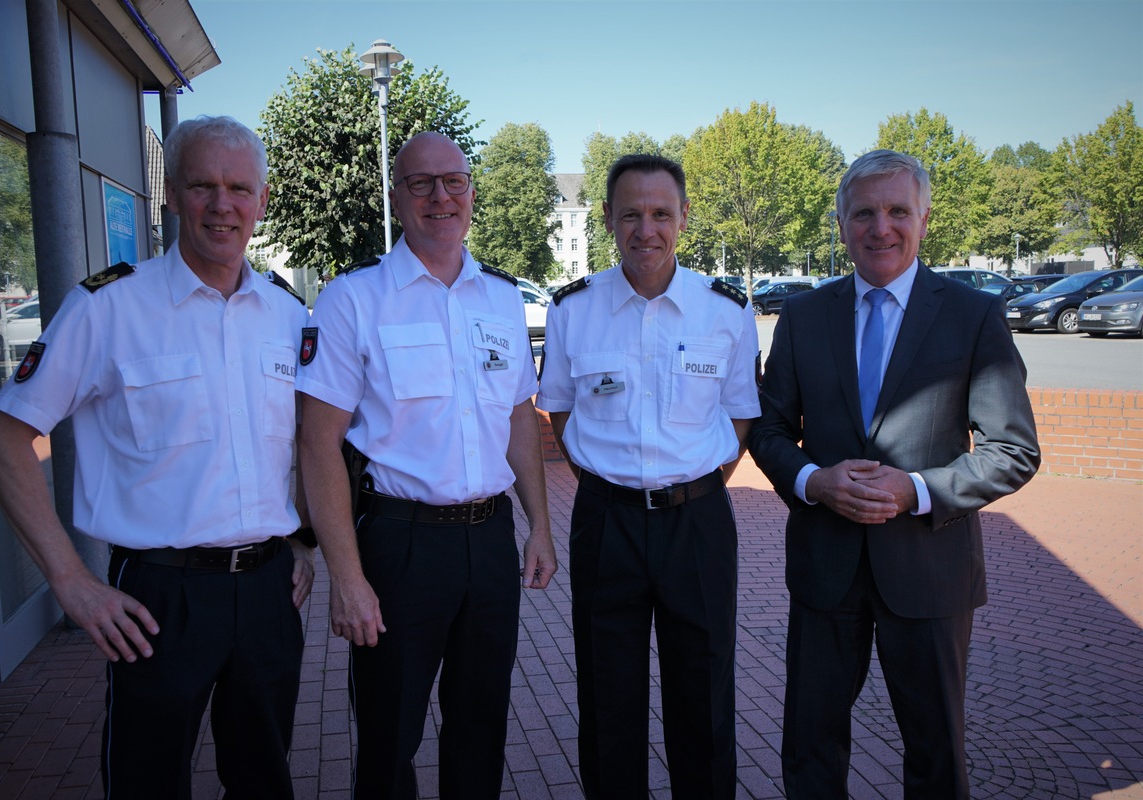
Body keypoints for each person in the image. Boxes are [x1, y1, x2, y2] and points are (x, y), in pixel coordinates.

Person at [0, 115, 315, 800]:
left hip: (270, 590)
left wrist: (303, 540)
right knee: (146, 782)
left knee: (265, 780)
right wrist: (69, 580)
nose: (223, 206)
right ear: (171, 198)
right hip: (160, 597)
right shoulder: (108, 307)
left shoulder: (287, 312)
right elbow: (1, 441)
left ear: (264, 200)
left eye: (240, 189)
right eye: (203, 186)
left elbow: (300, 441)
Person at [748, 149, 1041, 799]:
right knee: (810, 745)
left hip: (930, 571)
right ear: (842, 223)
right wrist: (811, 481)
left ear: (924, 218)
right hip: (826, 570)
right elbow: (769, 431)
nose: (881, 227)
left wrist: (916, 489)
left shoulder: (974, 317)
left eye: (897, 211)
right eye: (864, 213)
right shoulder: (803, 316)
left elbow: (1012, 449)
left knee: (937, 754)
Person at [296, 131, 556, 800]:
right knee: (389, 735)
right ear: (397, 196)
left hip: (491, 540)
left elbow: (518, 416)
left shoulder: (501, 298)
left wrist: (541, 527)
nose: (441, 196)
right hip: (399, 545)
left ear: (472, 191)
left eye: (455, 181)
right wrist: (346, 577)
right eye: (421, 183)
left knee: (480, 728)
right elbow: (317, 442)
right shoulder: (353, 299)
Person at [537, 153, 761, 799]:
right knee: (609, 699)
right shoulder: (573, 311)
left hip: (698, 523)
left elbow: (742, 415)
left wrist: (699, 483)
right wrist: (605, 482)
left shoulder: (726, 312)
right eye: (630, 214)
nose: (646, 229)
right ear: (607, 218)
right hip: (607, 523)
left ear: (684, 218)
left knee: (705, 697)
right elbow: (558, 412)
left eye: (661, 213)